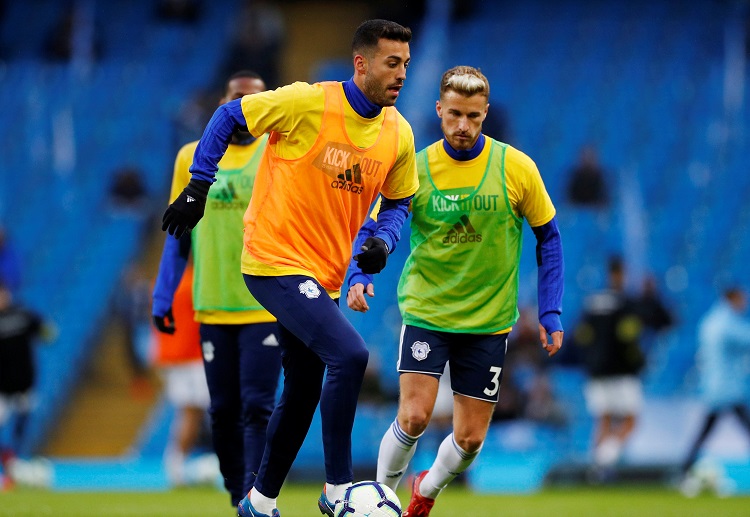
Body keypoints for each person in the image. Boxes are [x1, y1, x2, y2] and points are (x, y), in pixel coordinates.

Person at [159, 19, 418, 517]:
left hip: (323, 275)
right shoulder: (306, 102)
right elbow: (230, 116)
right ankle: (339, 490)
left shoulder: (398, 133)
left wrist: (382, 243)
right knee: (351, 354)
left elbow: (399, 201)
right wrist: (197, 187)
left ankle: (259, 500)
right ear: (361, 64)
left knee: (302, 388)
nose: (402, 73)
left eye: (406, 63)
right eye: (392, 62)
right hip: (272, 260)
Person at [347, 65, 564, 517]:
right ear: (439, 111)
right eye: (454, 115)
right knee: (414, 416)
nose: (462, 126)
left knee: (469, 441)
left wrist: (550, 312)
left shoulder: (516, 168)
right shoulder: (417, 167)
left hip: (487, 323)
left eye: (473, 116)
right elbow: (378, 225)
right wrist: (361, 275)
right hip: (428, 312)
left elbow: (550, 237)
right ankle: (380, 502)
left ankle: (426, 488)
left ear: (485, 114)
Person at [152, 70, 282, 508]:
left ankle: (256, 497)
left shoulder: (277, 153)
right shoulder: (191, 156)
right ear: (223, 104)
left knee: (258, 408)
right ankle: (235, 494)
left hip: (264, 304)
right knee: (222, 412)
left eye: (254, 101)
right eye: (236, 100)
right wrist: (162, 295)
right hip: (211, 306)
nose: (245, 110)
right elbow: (177, 234)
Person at [572, 256, 645, 480]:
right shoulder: (626, 303)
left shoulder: (593, 302)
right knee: (631, 419)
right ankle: (604, 459)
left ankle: (598, 467)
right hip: (622, 371)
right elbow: (630, 335)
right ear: (621, 274)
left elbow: (581, 336)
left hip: (596, 372)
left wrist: (592, 359)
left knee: (603, 419)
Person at [680, 287, 750, 492]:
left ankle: (684, 470)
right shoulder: (727, 322)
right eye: (742, 299)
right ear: (733, 298)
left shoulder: (710, 321)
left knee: (704, 432)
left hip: (713, 387)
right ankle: (684, 470)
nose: (744, 304)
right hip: (728, 388)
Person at [151, 263, 215, 487]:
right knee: (203, 410)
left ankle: (175, 464)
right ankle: (177, 466)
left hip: (172, 356)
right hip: (193, 355)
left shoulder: (166, 281)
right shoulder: (196, 281)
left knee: (190, 412)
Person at [0, 282, 54, 482]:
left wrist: (47, 331)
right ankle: (8, 460)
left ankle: (14, 460)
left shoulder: (23, 314)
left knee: (21, 426)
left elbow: (47, 332)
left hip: (24, 382)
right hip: (3, 387)